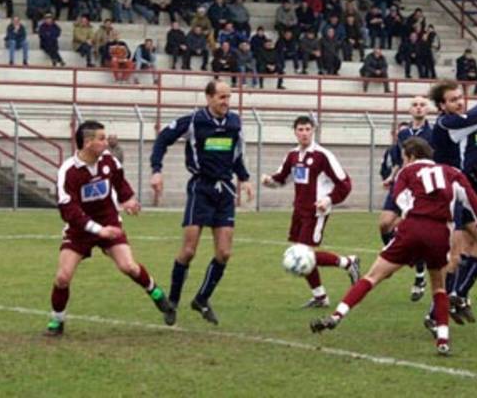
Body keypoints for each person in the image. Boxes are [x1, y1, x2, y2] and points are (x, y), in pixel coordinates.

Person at [310, 137, 477, 356]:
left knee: (372, 277)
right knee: (439, 286)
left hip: (414, 227)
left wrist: (409, 214)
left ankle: (336, 316)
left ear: (411, 156)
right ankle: (443, 340)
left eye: (404, 158)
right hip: (440, 233)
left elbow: (400, 198)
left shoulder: (406, 173)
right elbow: (471, 199)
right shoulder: (451, 172)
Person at [45, 120, 172, 336]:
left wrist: (129, 200)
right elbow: (69, 211)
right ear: (87, 142)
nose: (107, 142)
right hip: (80, 230)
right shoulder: (68, 171)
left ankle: (157, 293)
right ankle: (57, 321)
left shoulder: (109, 161)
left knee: (129, 267)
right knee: (63, 277)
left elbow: (120, 184)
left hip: (110, 222)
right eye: (102, 138)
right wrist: (96, 229)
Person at [150, 80, 254, 326]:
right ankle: (172, 302)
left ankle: (201, 299)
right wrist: (157, 170)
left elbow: (236, 156)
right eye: (221, 97)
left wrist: (245, 178)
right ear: (208, 98)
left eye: (229, 97)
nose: (226, 102)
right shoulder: (194, 121)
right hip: (201, 188)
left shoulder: (234, 123)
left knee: (224, 252)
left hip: (225, 189)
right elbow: (163, 139)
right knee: (188, 250)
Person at [262, 116, 358, 307]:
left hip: (316, 211)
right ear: (295, 131)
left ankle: (347, 262)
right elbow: (282, 178)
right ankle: (320, 297)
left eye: (307, 129)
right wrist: (269, 181)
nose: (304, 133)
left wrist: (328, 200)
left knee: (303, 253)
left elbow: (345, 184)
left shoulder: (323, 156)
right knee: (303, 254)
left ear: (313, 130)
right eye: (300, 129)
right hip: (299, 210)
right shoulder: (292, 156)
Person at [429, 80, 477, 321]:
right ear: (442, 106)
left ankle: (457, 295)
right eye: (452, 100)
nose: (459, 102)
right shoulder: (447, 123)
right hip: (446, 195)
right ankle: (438, 309)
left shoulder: (456, 124)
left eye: (460, 97)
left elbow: (476, 134)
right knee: (455, 255)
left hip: (458, 191)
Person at [379, 97, 432, 300]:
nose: (418, 107)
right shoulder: (403, 133)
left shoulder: (433, 132)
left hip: (419, 188)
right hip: (401, 183)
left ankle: (419, 275)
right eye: (415, 105)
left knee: (412, 232)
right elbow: (398, 158)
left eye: (422, 104)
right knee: (384, 224)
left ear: (427, 109)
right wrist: (391, 177)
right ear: (410, 110)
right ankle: (394, 253)